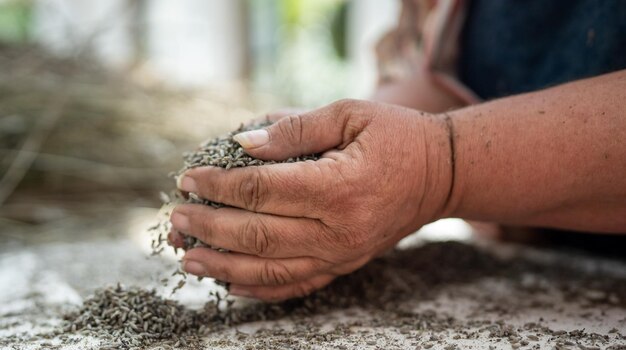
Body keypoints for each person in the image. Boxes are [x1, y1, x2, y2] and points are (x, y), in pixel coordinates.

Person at [169, 1, 626, 301]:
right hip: (536, 265)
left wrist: (440, 165)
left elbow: (435, 154)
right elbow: (429, 56)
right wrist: (334, 160)